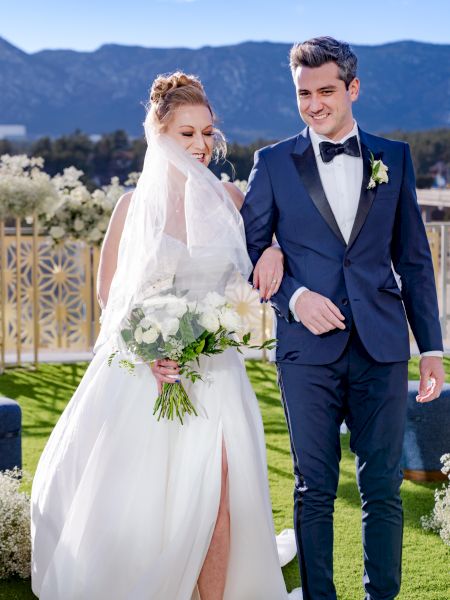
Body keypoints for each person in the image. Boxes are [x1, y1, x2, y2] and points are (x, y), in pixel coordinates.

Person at [31, 71, 300, 600]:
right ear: (158, 133)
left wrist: (272, 251)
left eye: (208, 132)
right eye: (187, 133)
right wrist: (149, 350)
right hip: (149, 374)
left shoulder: (230, 197)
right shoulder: (132, 208)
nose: (202, 145)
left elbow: (269, 251)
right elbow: (111, 298)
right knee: (151, 501)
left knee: (220, 492)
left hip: (217, 370)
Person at [241, 37, 445, 600]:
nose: (314, 104)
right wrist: (293, 298)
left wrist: (431, 347)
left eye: (326, 91)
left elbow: (414, 259)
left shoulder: (394, 157)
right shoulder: (273, 163)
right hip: (306, 353)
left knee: (382, 486)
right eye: (303, 94)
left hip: (382, 346)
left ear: (352, 88)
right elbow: (247, 256)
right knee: (313, 487)